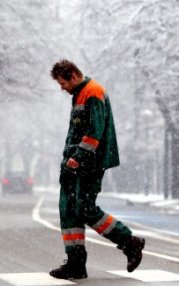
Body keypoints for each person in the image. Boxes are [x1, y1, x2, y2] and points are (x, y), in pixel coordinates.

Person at [48, 59, 145, 280]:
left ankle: (129, 242)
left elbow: (95, 131)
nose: (61, 88)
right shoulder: (80, 94)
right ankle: (75, 263)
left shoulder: (93, 92)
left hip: (88, 164)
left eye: (62, 82)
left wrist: (79, 157)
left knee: (84, 208)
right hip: (74, 165)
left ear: (72, 75)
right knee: (69, 210)